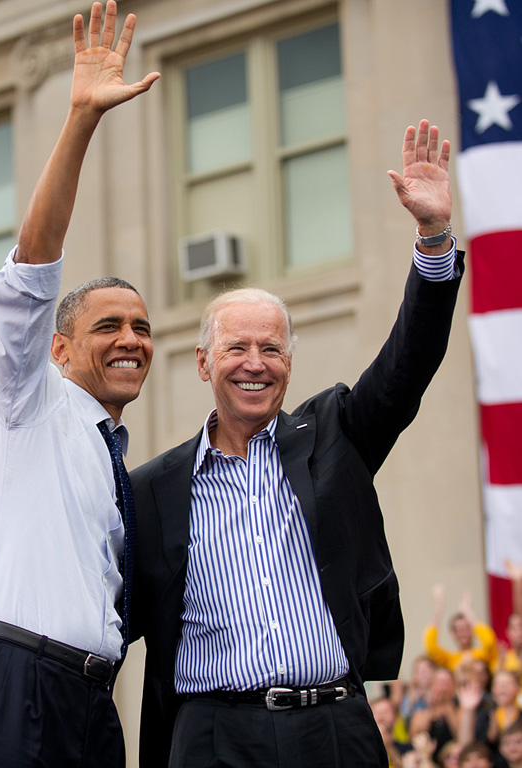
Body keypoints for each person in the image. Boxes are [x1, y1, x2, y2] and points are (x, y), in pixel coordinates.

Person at [130, 118, 465, 768]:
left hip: (334, 728)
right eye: (236, 347)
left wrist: (431, 236)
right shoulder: (154, 490)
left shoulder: (334, 435)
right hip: (211, 737)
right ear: (203, 364)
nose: (255, 362)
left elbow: (407, 364)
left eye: (271, 348)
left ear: (289, 361)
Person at [0, 3, 159, 766]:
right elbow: (30, 272)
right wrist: (81, 122)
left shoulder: (104, 451)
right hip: (8, 687)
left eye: (142, 327)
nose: (130, 339)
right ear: (55, 348)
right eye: (108, 326)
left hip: (86, 702)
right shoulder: (26, 399)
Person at [424, 586, 498, 673]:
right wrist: (439, 608)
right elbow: (431, 648)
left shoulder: (482, 655)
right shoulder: (450, 659)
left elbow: (489, 642)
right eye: (458, 630)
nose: (463, 633)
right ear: (452, 633)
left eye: (466, 628)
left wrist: (469, 612)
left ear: (472, 631)